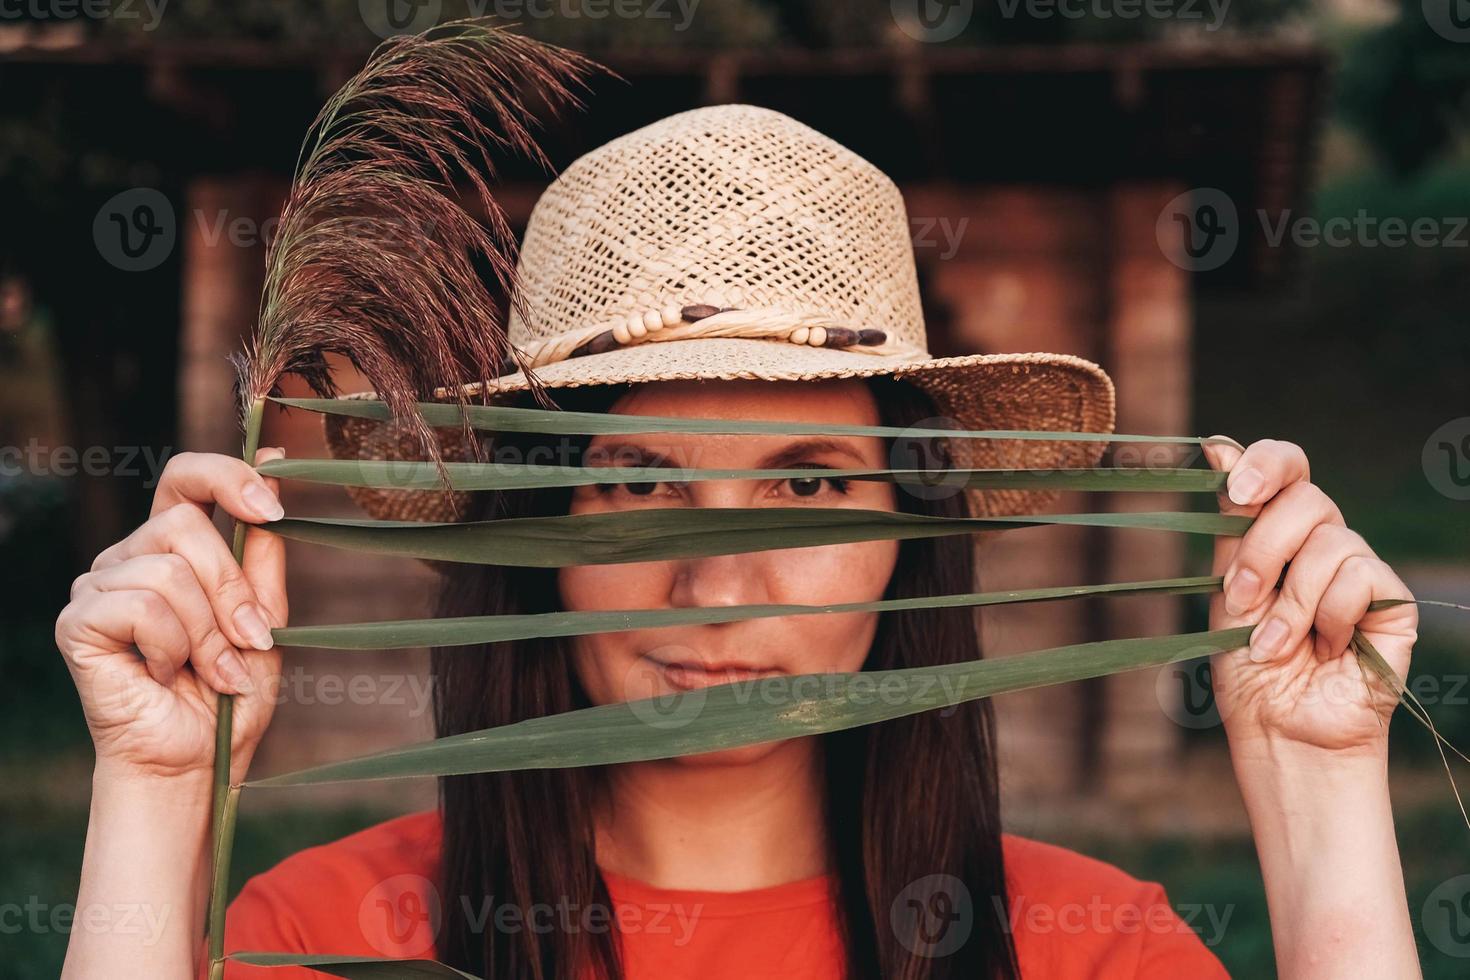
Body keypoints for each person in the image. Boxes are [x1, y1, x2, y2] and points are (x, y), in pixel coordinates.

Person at [55, 105, 1422, 980]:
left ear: (910, 534)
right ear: (535, 524)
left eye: (811, 489)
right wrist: (157, 790)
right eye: (637, 486)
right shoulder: (332, 937)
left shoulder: (1085, 949)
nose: (713, 586)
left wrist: (1318, 788)